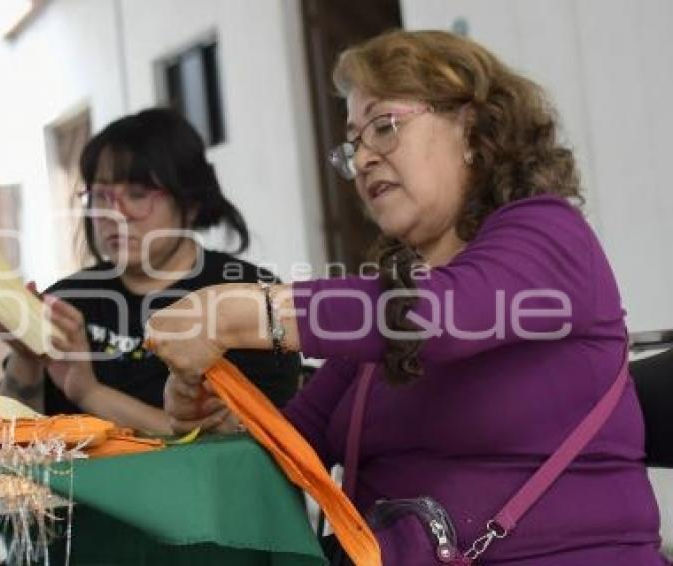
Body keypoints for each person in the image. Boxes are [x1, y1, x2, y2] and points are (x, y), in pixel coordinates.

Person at [145, 30, 668, 564]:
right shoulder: (382, 307)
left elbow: (435, 315)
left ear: (471, 126)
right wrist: (218, 418)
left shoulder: (549, 232)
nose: (364, 158)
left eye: (384, 127)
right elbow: (294, 444)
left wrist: (244, 312)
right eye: (353, 145)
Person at [0, 107, 300, 434]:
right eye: (101, 195)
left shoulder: (247, 297)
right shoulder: (68, 301)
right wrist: (27, 356)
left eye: (137, 194)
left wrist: (91, 394)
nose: (114, 214)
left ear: (190, 202)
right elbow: (5, 445)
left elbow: (245, 445)